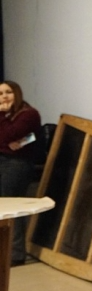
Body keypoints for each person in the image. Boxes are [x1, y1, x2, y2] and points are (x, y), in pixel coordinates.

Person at [0, 81, 43, 265]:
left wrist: (2, 116)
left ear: (17, 93)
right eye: (0, 93)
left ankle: (16, 254)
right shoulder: (6, 115)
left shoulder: (28, 113)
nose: (4, 97)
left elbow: (10, 135)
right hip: (4, 159)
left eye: (8, 92)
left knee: (11, 206)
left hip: (16, 164)